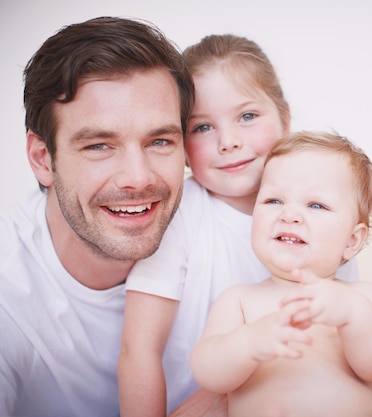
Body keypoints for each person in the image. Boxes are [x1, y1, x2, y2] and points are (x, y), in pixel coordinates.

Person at [118, 36, 358, 416]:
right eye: (202, 128)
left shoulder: (325, 214)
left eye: (247, 116)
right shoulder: (179, 215)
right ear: (180, 142)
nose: (228, 142)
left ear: (286, 118)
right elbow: (139, 350)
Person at [0, 16, 194, 417]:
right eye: (99, 146)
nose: (138, 178)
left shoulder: (258, 228)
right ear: (42, 159)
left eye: (160, 141)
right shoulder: (8, 292)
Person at [189, 131, 372, 417]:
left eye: (316, 205)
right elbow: (209, 374)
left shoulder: (361, 298)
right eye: (273, 201)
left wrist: (353, 315)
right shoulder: (239, 301)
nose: (289, 215)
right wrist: (249, 343)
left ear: (352, 241)